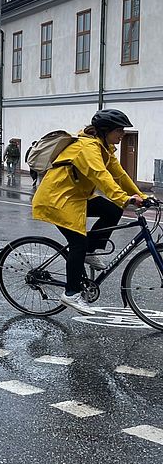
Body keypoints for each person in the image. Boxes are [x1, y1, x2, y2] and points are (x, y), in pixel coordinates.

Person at [32, 109, 146, 315]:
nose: (122, 134)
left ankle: (91, 251)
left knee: (112, 210)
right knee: (78, 243)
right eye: (119, 130)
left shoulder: (105, 147)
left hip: (75, 196)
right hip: (58, 199)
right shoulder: (87, 147)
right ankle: (71, 294)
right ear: (105, 131)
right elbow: (100, 175)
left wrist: (141, 196)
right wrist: (125, 198)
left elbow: (119, 175)